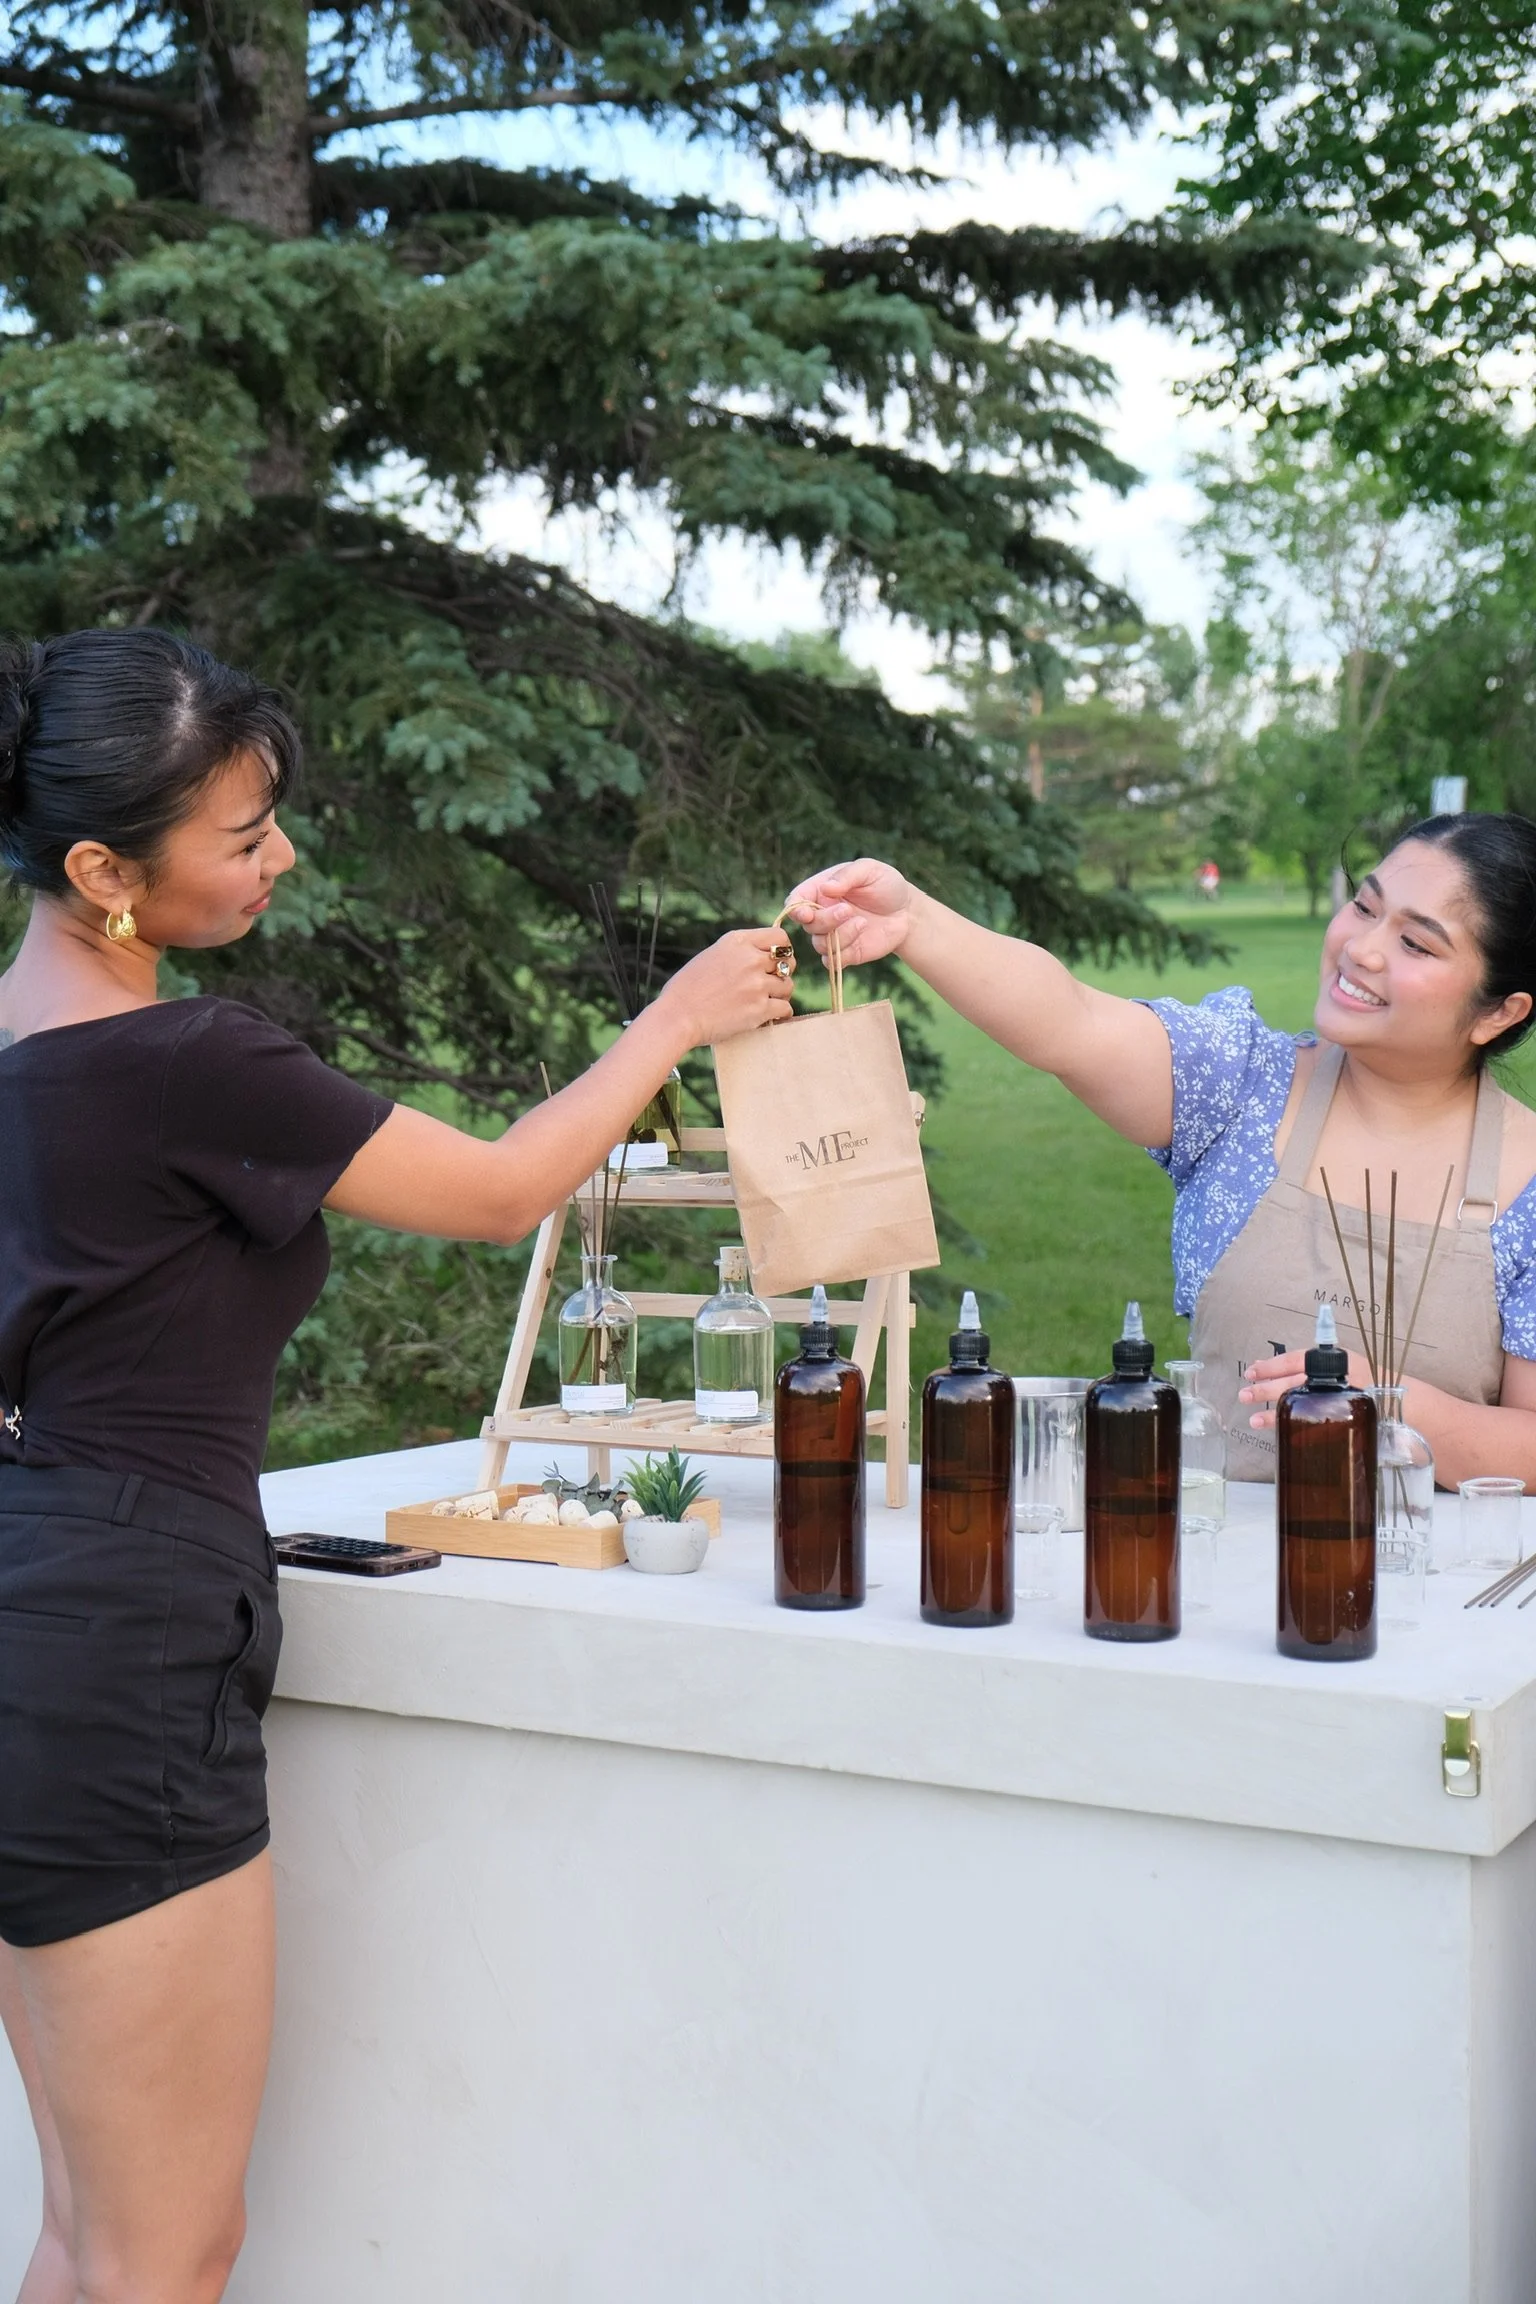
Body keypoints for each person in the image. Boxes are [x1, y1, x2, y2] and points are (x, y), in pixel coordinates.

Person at [0, 628, 794, 2304]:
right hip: (120, 1650)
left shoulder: (20, 1053)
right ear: (101, 867)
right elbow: (506, 1190)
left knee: (85, 2228)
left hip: (40, 1613)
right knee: (162, 2251)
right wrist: (676, 1011)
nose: (280, 853)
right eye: (239, 832)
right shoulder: (180, 1060)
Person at [786, 818, 1536, 1486]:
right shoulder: (1242, 1084)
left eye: (1414, 942)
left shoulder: (1528, 1179)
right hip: (1207, 1563)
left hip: (1437, 1595)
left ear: (1499, 1011)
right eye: (1365, 907)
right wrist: (914, 918)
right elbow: (1070, 1021)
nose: (1362, 949)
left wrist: (1390, 1409)